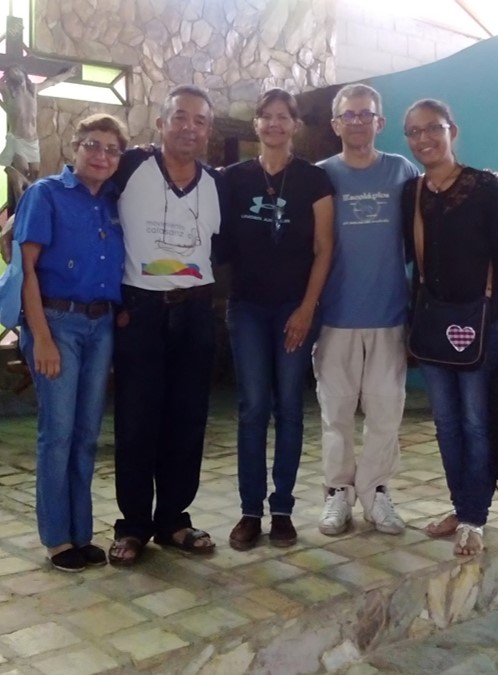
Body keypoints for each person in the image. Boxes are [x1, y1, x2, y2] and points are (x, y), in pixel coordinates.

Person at [108, 85, 225, 565]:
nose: (189, 128)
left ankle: (174, 519)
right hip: (140, 311)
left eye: (200, 121)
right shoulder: (129, 167)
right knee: (136, 421)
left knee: (187, 420)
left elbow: (226, 247)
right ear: (160, 123)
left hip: (195, 312)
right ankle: (133, 525)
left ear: (208, 131)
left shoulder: (217, 184)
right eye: (180, 117)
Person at [14, 113, 128, 572]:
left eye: (112, 149)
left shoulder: (114, 201)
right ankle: (58, 538)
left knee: (86, 435)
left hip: (101, 326)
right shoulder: (46, 194)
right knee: (58, 433)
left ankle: (82, 532)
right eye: (93, 145)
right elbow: (26, 269)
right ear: (74, 147)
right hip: (57, 323)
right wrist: (41, 337)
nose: (102, 156)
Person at [223, 88, 333, 550]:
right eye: (266, 116)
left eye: (283, 116)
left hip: (294, 308)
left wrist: (307, 308)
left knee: (289, 405)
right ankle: (250, 511)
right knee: (253, 407)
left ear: (295, 125)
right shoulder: (232, 178)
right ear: (256, 124)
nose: (274, 124)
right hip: (247, 307)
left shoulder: (314, 179)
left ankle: (283, 509)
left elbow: (324, 248)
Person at [313, 83, 418, 537]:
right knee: (335, 413)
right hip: (335, 316)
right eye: (348, 115)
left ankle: (376, 493)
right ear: (335, 124)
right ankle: (338, 492)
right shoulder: (321, 175)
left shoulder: (402, 170)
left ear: (380, 122)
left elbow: (420, 232)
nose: (357, 122)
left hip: (389, 315)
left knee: (385, 414)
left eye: (365, 114)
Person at [402, 99, 498, 556]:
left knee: (478, 423)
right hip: (433, 321)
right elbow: (410, 258)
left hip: (482, 323)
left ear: (451, 131)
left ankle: (475, 516)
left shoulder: (486, 187)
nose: (424, 138)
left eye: (433, 128)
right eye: (414, 131)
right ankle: (460, 508)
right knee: (445, 423)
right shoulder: (412, 192)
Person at [0, 64, 75, 202]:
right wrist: (4, 76)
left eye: (16, 70)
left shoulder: (33, 90)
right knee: (22, 173)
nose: (14, 73)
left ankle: (28, 199)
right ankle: (21, 206)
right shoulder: (8, 92)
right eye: (11, 72)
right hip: (18, 139)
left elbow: (51, 82)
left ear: (23, 73)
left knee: (35, 174)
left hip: (33, 141)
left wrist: (68, 74)